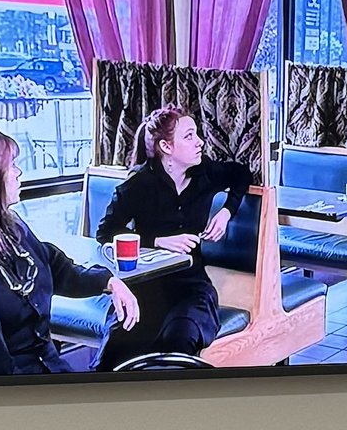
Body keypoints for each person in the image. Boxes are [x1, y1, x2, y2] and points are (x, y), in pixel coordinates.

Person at [0, 120, 139, 377]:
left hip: (48, 365)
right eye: (11, 166)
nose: (18, 173)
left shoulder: (8, 223)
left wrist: (108, 281)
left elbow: (52, 264)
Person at [94, 106, 260, 371]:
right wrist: (156, 241)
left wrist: (227, 212)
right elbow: (105, 234)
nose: (200, 142)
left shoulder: (204, 173)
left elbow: (240, 174)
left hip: (191, 288)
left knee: (179, 342)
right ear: (166, 146)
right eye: (189, 136)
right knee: (116, 350)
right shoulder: (138, 184)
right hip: (143, 287)